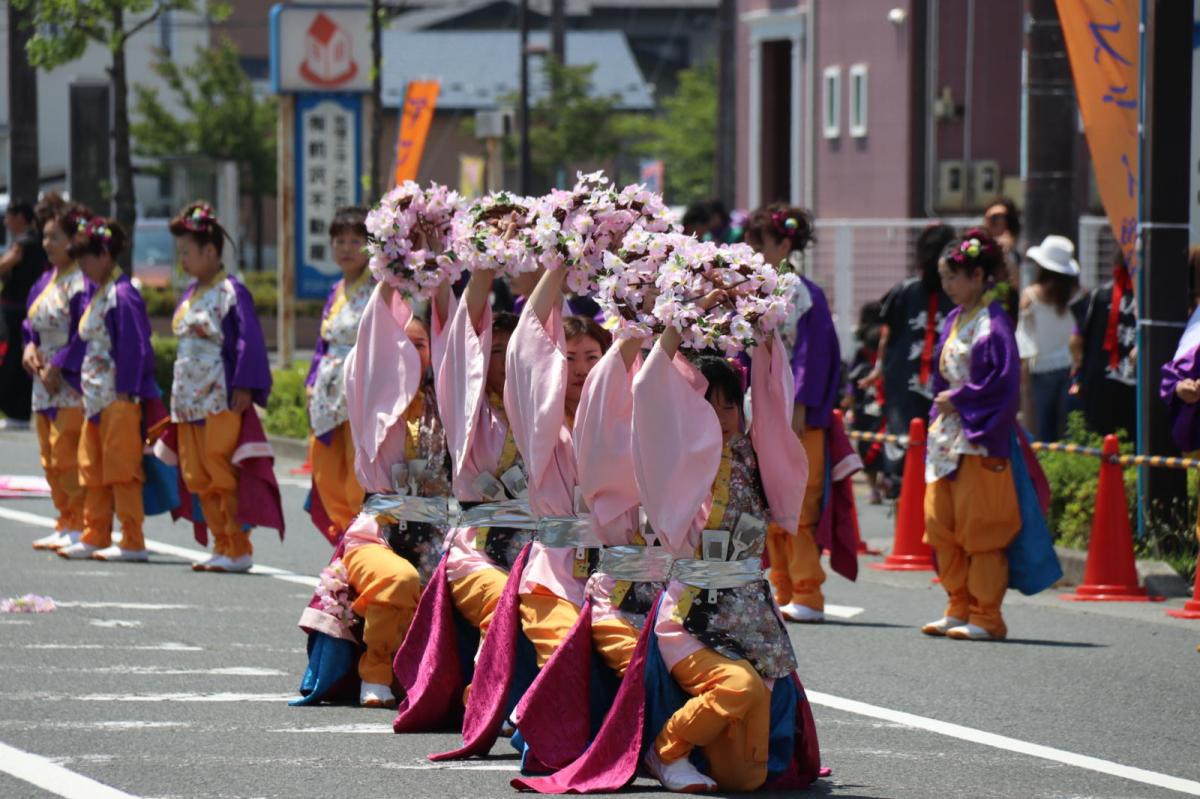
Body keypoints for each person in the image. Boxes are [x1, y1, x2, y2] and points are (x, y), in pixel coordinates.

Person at [922, 229, 1022, 641]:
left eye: (953, 277)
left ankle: (986, 615)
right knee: (940, 525)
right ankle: (958, 605)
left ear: (978, 275)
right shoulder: (957, 318)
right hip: (947, 437)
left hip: (978, 440)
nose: (946, 285)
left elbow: (1003, 385)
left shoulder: (993, 323)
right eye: (943, 277)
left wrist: (960, 399)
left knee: (980, 530)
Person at [745, 204, 842, 623]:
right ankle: (782, 587)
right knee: (768, 505)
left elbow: (814, 355)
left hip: (795, 414)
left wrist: (800, 403)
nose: (751, 253)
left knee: (800, 505)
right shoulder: (754, 290)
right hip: (762, 409)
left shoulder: (803, 293)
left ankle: (807, 591)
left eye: (759, 245)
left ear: (784, 245)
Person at [167, 202, 274, 573]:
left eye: (187, 252)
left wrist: (244, 384)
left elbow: (248, 340)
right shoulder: (191, 293)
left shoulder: (232, 291)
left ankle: (237, 546)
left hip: (219, 393)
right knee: (196, 471)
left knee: (220, 466)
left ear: (210, 251)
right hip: (187, 397)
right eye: (180, 253)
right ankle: (221, 543)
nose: (182, 260)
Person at [55, 219, 159, 562]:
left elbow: (135, 346)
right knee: (93, 469)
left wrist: (128, 389)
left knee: (121, 469)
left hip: (118, 398)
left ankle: (132, 539)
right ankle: (96, 533)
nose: (82, 267)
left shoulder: (122, 295)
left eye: (85, 259)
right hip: (96, 399)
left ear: (104, 255)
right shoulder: (101, 292)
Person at [864, 223, 956, 489]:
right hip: (905, 380)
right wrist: (878, 369)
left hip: (941, 382)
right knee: (905, 440)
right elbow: (887, 333)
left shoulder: (956, 291)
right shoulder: (906, 291)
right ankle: (902, 494)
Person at [24, 203, 92, 551]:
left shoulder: (81, 282)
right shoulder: (45, 280)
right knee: (49, 455)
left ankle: (81, 522)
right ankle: (65, 519)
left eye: (55, 237)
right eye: (45, 236)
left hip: (68, 379)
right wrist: (29, 347)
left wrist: (61, 364)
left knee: (67, 452)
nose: (47, 243)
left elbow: (84, 330)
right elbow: (30, 323)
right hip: (43, 377)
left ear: (74, 240)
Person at [306, 207, 374, 543]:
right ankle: (343, 542)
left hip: (360, 390)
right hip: (327, 393)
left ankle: (357, 544)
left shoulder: (380, 289)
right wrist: (310, 383)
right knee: (325, 470)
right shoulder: (336, 289)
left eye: (355, 241)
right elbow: (323, 344)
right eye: (340, 241)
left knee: (356, 472)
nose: (346, 248)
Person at [1016, 235, 1081, 442]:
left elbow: (1024, 342)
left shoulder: (1030, 297)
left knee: (1044, 433)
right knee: (1071, 431)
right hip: (1071, 369)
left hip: (1041, 370)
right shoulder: (1077, 296)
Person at [1069, 248, 1137, 437]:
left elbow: (1075, 340)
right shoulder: (1151, 302)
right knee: (1135, 444)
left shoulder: (1097, 295)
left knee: (1099, 442)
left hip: (1098, 384)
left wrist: (1078, 369)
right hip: (1136, 389)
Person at [0, 200, 48, 429]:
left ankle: (15, 412)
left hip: (16, 310)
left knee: (12, 359)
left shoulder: (23, 243)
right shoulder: (38, 241)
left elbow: (3, 266)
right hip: (28, 308)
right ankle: (18, 412)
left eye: (9, 216)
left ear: (20, 217)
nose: (6, 222)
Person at [845, 301, 885, 503]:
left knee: (865, 444)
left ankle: (873, 488)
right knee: (887, 444)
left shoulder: (861, 351)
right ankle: (886, 482)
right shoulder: (889, 344)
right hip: (885, 402)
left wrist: (849, 404)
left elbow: (852, 381)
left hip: (863, 403)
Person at [982, 196, 1021, 319]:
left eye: (999, 217)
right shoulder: (981, 248)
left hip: (1010, 312)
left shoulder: (1017, 250)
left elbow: (1018, 284)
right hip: (985, 311)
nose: (994, 222)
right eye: (991, 218)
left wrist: (1008, 253)